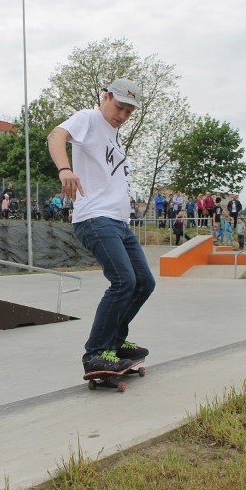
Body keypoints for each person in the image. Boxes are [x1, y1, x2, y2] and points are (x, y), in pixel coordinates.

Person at [47, 77, 155, 375]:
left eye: (129, 112)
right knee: (124, 281)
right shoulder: (90, 118)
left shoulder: (114, 136)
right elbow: (55, 136)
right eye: (118, 107)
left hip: (119, 223)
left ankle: (116, 343)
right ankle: (96, 353)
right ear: (106, 97)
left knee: (145, 283)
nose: (121, 116)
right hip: (95, 218)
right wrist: (65, 169)